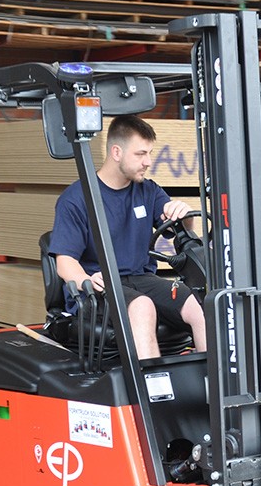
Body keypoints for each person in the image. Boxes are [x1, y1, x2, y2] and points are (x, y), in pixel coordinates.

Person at [48, 114, 206, 359]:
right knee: (142, 306)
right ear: (117, 152)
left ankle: (214, 389)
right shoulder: (77, 199)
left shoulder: (148, 190)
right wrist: (85, 280)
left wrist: (182, 215)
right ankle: (153, 393)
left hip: (142, 279)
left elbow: (179, 229)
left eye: (150, 153)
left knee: (200, 303)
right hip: (100, 284)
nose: (148, 162)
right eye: (141, 154)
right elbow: (65, 262)